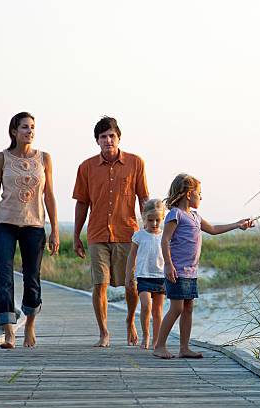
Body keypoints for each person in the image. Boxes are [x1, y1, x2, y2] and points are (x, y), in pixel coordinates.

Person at [153, 174, 253, 359]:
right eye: (199, 193)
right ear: (189, 194)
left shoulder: (195, 217)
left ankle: (184, 348)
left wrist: (238, 225)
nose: (201, 197)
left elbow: (214, 230)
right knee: (176, 309)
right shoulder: (175, 214)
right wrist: (168, 264)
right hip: (177, 270)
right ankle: (159, 345)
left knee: (188, 308)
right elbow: (165, 240)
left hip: (191, 271)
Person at [0, 111, 59, 349]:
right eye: (25, 127)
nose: (30, 131)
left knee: (32, 278)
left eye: (32, 127)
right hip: (4, 223)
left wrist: (55, 229)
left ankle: (29, 325)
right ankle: (9, 332)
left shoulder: (44, 158)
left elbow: (49, 196)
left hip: (34, 224)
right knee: (4, 276)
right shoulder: (1, 158)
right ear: (14, 132)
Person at [73, 116, 149, 347]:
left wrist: (149, 232)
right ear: (97, 141)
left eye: (111, 136)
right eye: (103, 137)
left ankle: (130, 321)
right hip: (97, 234)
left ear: (119, 138)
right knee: (100, 284)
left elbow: (143, 198)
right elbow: (82, 203)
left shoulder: (136, 163)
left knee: (131, 285)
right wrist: (76, 235)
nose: (108, 140)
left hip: (128, 233)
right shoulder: (86, 167)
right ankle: (104, 332)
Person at [125, 199, 166, 350]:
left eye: (158, 220)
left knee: (158, 310)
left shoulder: (165, 236)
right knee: (146, 306)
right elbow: (131, 256)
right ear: (144, 218)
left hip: (161, 277)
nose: (154, 224)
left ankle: (157, 340)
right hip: (143, 276)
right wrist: (128, 275)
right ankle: (146, 335)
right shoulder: (139, 236)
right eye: (150, 220)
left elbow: (170, 255)